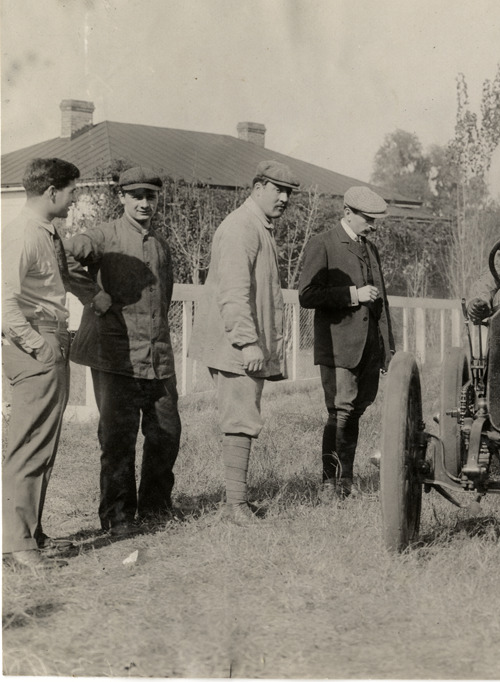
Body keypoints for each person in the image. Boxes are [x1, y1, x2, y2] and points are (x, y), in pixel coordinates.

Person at [64, 167, 181, 536]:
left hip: (158, 357)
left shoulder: (160, 244)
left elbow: (164, 299)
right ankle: (118, 517)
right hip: (116, 356)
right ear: (122, 198)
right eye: (136, 196)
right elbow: (62, 255)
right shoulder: (104, 236)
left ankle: (156, 508)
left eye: (150, 196)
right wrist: (92, 295)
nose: (144, 203)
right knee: (118, 439)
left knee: (166, 433)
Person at [190, 160, 299, 524]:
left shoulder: (257, 225)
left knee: (243, 416)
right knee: (240, 419)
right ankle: (235, 506)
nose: (284, 198)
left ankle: (235, 501)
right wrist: (247, 342)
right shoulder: (241, 227)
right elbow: (233, 293)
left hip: (239, 342)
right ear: (257, 188)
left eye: (288, 193)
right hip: (235, 344)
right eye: (277, 189)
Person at [1, 158, 81, 571]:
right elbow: (4, 303)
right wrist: (38, 347)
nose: (74, 199)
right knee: (29, 443)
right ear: (52, 191)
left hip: (48, 337)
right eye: (71, 191)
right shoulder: (23, 234)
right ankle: (16, 544)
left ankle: (30, 533)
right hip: (36, 341)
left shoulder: (42, 232)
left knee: (43, 442)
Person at [298, 186, 395, 501]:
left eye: (374, 220)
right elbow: (307, 295)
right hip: (339, 347)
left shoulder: (370, 249)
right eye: (368, 219)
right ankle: (329, 484)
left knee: (355, 412)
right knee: (340, 412)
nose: (372, 226)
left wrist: (387, 351)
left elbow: (382, 303)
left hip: (368, 349)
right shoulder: (323, 243)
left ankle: (346, 483)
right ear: (348, 213)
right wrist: (353, 295)